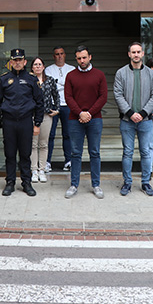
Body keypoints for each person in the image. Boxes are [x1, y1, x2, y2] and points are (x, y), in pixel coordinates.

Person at [0, 48, 44, 196]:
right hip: (9, 122)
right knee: (9, 154)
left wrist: (37, 123)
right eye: (15, 60)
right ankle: (10, 182)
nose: (17, 62)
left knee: (25, 154)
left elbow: (40, 102)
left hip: (26, 122)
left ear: (25, 61)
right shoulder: (4, 79)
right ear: (11, 62)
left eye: (20, 60)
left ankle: (27, 183)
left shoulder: (32, 79)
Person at [114, 42, 153, 196]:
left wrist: (142, 113)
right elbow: (118, 94)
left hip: (145, 120)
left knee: (146, 152)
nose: (136, 54)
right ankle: (127, 182)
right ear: (129, 54)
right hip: (127, 120)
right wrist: (130, 113)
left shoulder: (151, 74)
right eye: (133, 52)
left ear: (142, 54)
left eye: (138, 52)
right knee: (127, 152)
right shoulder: (121, 73)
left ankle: (146, 182)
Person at [64, 45, 107, 199]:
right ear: (76, 59)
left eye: (84, 57)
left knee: (94, 152)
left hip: (95, 119)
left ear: (90, 57)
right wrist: (80, 113)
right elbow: (68, 97)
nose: (82, 60)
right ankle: (74, 184)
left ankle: (96, 184)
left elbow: (103, 97)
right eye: (79, 58)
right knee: (75, 153)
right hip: (75, 120)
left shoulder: (100, 75)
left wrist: (89, 113)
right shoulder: (70, 76)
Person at [29, 56, 59, 183]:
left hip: (46, 115)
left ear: (43, 66)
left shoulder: (50, 80)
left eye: (40, 64)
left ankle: (42, 170)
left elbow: (56, 95)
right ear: (32, 67)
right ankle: (34, 170)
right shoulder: (28, 80)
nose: (37, 66)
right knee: (33, 144)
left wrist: (56, 109)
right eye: (35, 64)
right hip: (31, 116)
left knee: (44, 144)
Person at [45, 46, 74, 173]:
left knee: (68, 134)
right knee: (49, 135)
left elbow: (72, 87)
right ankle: (47, 162)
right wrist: (63, 84)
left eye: (62, 53)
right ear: (54, 56)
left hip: (68, 105)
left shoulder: (72, 69)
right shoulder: (48, 70)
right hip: (52, 105)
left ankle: (68, 161)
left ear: (65, 55)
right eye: (57, 54)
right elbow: (50, 87)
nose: (60, 56)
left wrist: (58, 84)